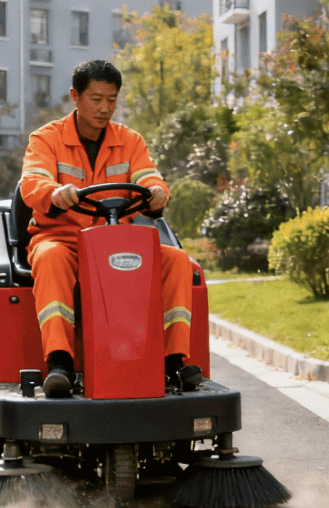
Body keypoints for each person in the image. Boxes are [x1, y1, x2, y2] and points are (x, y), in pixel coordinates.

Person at [19, 59, 201, 398]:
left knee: (176, 260)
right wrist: (54, 193)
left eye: (112, 100)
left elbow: (146, 174)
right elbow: (33, 180)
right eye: (96, 99)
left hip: (118, 243)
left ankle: (174, 361)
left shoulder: (129, 140)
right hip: (64, 239)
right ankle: (59, 363)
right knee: (49, 258)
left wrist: (157, 191)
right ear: (75, 96)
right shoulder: (46, 139)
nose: (105, 109)